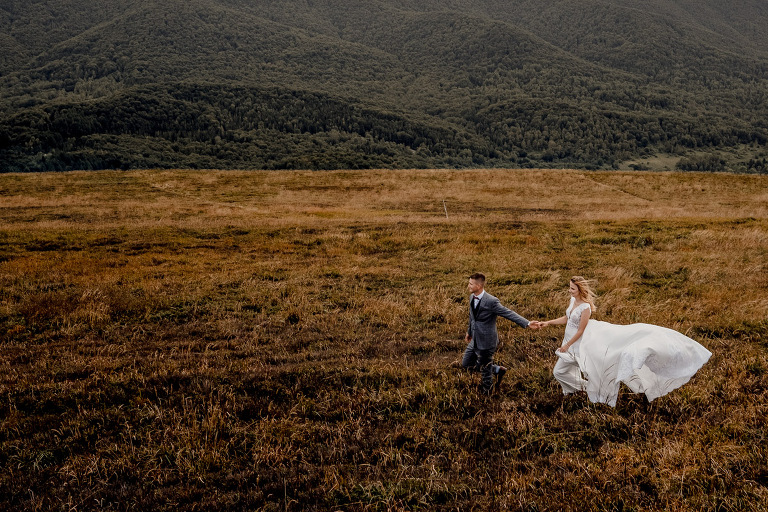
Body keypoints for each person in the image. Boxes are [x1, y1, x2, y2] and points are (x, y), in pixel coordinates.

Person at [541, 276, 712, 407]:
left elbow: (580, 329)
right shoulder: (572, 301)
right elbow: (568, 317)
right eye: (569, 288)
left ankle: (588, 390)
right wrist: (548, 322)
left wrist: (567, 345)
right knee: (560, 372)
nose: (569, 291)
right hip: (569, 342)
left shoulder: (585, 307)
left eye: (572, 289)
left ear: (580, 289)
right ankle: (583, 389)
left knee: (579, 369)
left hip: (580, 343)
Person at [462, 272, 540, 395]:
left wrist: (527, 323)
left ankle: (488, 394)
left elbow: (508, 313)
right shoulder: (472, 297)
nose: (468, 286)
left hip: (487, 341)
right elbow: (472, 317)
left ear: (479, 286)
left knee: (485, 372)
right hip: (475, 338)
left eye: (471, 284)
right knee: (466, 364)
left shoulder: (491, 301)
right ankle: (497, 369)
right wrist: (469, 331)